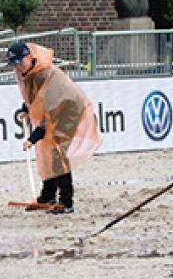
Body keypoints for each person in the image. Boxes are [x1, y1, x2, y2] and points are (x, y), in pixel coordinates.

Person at [7, 40, 102, 215]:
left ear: (29, 56)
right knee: (46, 150)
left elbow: (49, 114)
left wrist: (32, 139)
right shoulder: (28, 73)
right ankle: (48, 195)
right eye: (14, 64)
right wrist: (26, 109)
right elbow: (35, 98)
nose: (18, 67)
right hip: (55, 109)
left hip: (68, 108)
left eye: (20, 62)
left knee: (58, 151)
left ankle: (66, 201)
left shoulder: (45, 74)